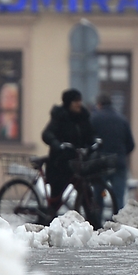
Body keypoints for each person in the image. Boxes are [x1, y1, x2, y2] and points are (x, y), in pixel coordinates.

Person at [41, 88, 99, 227]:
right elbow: (47, 134)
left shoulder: (83, 116)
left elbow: (90, 134)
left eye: (80, 100)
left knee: (85, 191)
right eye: (75, 101)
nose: (79, 104)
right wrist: (58, 144)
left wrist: (95, 141)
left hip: (77, 162)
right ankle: (47, 221)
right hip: (60, 163)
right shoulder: (60, 116)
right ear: (68, 103)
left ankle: (93, 223)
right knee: (57, 194)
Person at [90, 93, 136, 214]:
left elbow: (88, 141)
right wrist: (121, 154)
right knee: (118, 197)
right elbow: (131, 145)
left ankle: (96, 221)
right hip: (118, 163)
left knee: (98, 196)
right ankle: (118, 221)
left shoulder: (94, 118)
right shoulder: (122, 119)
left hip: (100, 164)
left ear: (99, 104)